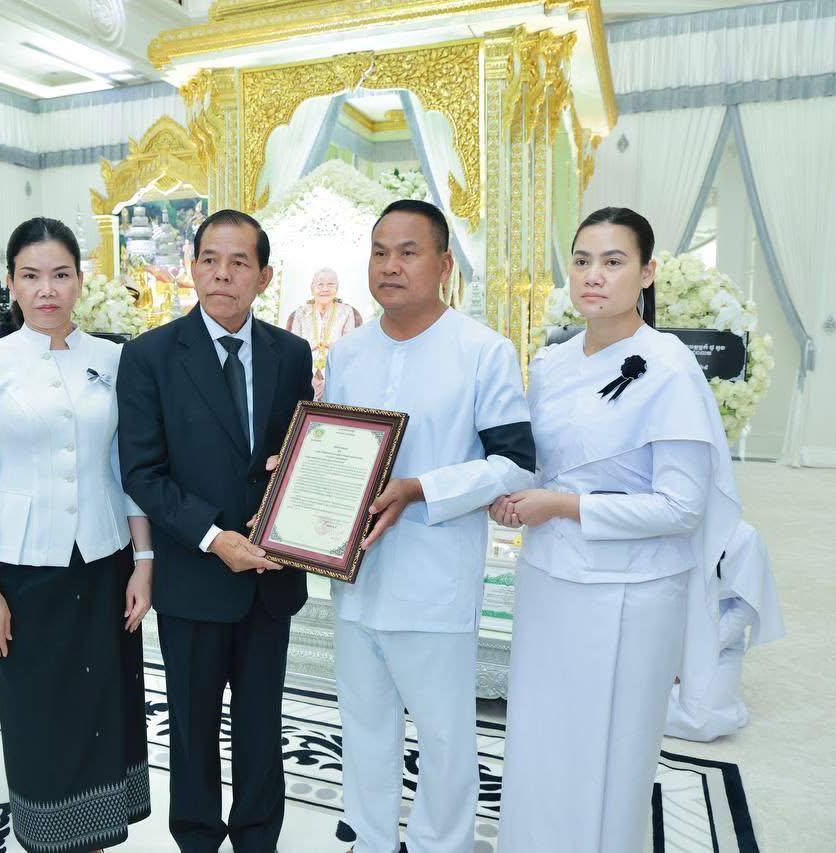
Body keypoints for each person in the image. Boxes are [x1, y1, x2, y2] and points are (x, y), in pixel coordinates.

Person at [493, 207, 741, 853]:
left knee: (609, 753)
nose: (593, 276)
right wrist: (511, 497)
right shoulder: (551, 362)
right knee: (542, 739)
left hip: (632, 592)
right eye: (581, 261)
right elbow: (542, 464)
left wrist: (562, 506)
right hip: (548, 579)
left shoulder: (670, 367)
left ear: (647, 272)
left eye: (612, 261)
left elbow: (681, 507)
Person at [320, 199, 535, 852]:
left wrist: (421, 489)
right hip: (355, 576)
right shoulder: (349, 352)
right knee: (364, 725)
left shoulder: (482, 351)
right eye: (379, 252)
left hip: (434, 580)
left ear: (444, 265)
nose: (390, 266)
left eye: (408, 252)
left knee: (444, 735)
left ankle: (443, 843)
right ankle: (372, 839)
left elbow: (516, 464)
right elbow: (333, 450)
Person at [0, 217, 153, 853]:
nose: (47, 290)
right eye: (31, 276)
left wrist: (144, 562)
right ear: (11, 283)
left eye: (60, 275)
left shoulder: (112, 360)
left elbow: (128, 466)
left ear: (80, 281)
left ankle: (100, 831)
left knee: (103, 704)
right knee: (40, 711)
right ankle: (48, 834)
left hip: (104, 559)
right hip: (24, 567)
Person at [116, 209, 313, 853]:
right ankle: (197, 837)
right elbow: (143, 472)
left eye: (239, 263)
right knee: (192, 725)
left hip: (270, 579)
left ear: (264, 276)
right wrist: (214, 538)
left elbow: (298, 453)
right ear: (192, 268)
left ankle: (258, 838)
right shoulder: (149, 356)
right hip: (195, 578)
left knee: (262, 725)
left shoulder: (291, 354)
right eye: (209, 260)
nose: (222, 274)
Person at [666, 519, 784, 741]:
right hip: (659, 634)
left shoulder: (745, 536)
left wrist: (692, 657)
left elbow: (743, 610)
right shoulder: (665, 521)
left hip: (716, 645)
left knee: (703, 721)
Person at [285, 267, 362, 399]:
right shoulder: (301, 312)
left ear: (337, 288)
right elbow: (293, 349)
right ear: (312, 288)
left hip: (335, 371)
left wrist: (329, 380)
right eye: (320, 284)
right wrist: (308, 378)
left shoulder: (346, 312)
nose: (325, 289)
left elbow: (349, 349)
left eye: (330, 284)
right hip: (304, 369)